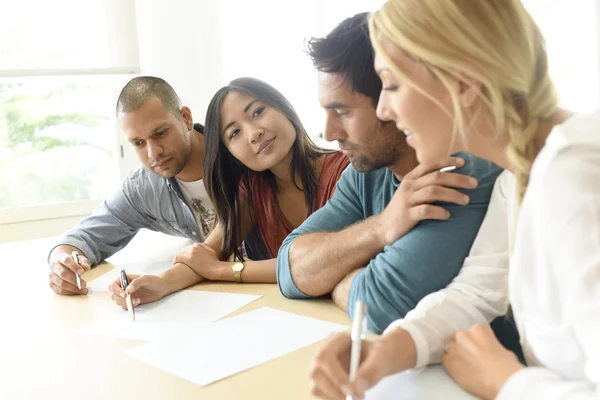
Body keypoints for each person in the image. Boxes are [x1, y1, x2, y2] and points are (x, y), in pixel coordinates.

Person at [310, 1, 600, 399]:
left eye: (391, 85)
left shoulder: (575, 184)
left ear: (462, 84)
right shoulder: (522, 173)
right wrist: (388, 350)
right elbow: (478, 289)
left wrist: (507, 382)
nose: (383, 109)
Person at [276, 11, 504, 337]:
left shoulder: (459, 172)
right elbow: (289, 267)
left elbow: (381, 306)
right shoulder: (365, 171)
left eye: (342, 111)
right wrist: (380, 229)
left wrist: (335, 278)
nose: (328, 133)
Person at [109, 77, 349, 308]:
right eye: (235, 133)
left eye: (257, 112)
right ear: (231, 152)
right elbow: (205, 255)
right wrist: (160, 284)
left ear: (283, 107)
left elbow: (317, 261)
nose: (254, 133)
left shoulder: (347, 173)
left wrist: (223, 270)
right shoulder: (253, 189)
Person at [47, 76, 269, 296]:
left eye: (160, 133)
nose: (154, 153)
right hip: (217, 300)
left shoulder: (243, 153)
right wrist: (63, 262)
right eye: (138, 143)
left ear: (185, 118)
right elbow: (85, 236)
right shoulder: (143, 188)